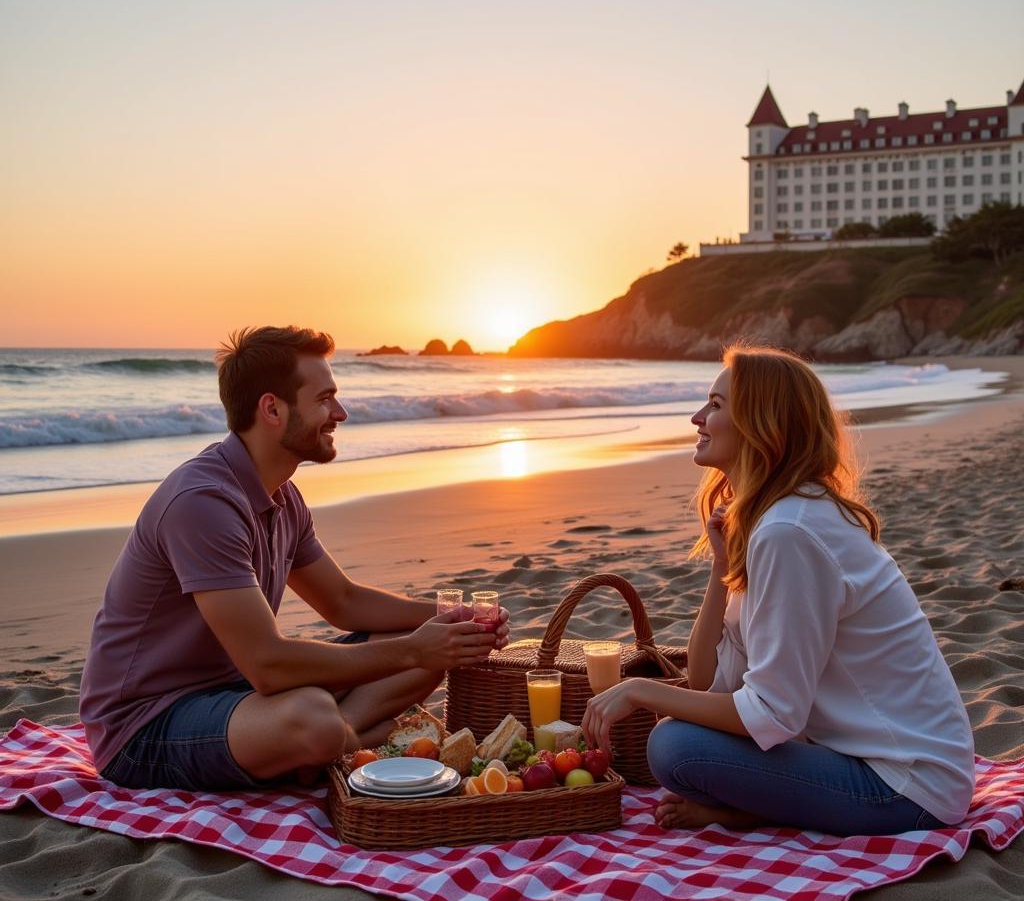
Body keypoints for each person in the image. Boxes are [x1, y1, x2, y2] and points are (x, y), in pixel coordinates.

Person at [80, 325, 508, 792]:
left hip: (238, 696)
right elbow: (269, 665)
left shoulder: (282, 495)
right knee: (312, 716)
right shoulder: (201, 502)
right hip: (147, 724)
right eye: (325, 399)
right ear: (272, 409)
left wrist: (454, 621)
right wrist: (414, 650)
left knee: (418, 645)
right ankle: (342, 738)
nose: (339, 413)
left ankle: (343, 737)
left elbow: (344, 601)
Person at [582, 344, 975, 836]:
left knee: (674, 747)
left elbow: (772, 715)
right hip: (863, 758)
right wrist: (721, 569)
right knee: (678, 737)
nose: (697, 417)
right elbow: (706, 682)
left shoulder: (790, 531)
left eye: (716, 405)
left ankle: (749, 814)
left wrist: (640, 691)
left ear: (760, 425)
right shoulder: (777, 521)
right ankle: (755, 810)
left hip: (908, 787)